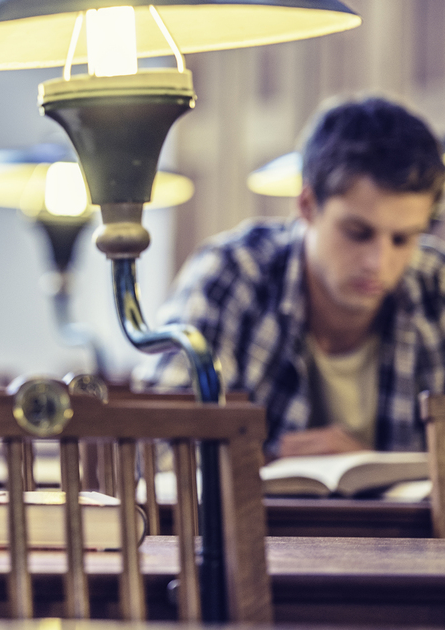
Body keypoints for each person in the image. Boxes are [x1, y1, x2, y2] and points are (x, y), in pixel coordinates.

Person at [133, 96, 445, 460]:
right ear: (307, 206)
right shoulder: (233, 272)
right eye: (358, 232)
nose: (379, 262)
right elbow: (156, 450)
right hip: (254, 518)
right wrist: (269, 461)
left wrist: (368, 463)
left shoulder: (435, 284)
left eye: (403, 239)